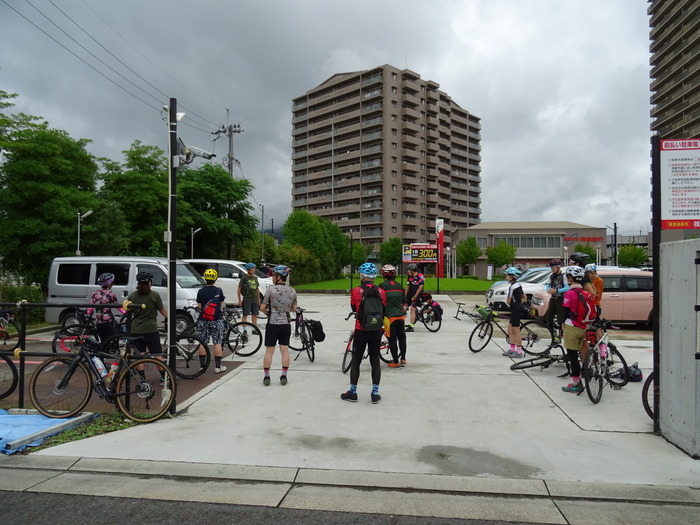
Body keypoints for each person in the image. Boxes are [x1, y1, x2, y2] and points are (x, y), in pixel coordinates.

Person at [342, 262, 387, 404]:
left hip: (361, 329)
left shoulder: (356, 291)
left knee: (356, 360)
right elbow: (384, 309)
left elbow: (354, 308)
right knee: (375, 361)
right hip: (376, 330)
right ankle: (375, 393)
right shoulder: (381, 291)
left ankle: (353, 392)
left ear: (362, 276)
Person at [260, 265, 297, 386]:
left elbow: (262, 307)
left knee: (269, 351)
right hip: (286, 324)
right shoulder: (292, 291)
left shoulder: (270, 290)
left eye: (274, 275)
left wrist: (269, 313)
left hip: (272, 324)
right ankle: (284, 375)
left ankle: (266, 376)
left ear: (279, 276)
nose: (272, 278)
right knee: (284, 350)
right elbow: (293, 308)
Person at [126, 272, 168, 356]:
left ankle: (140, 370)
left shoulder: (132, 296)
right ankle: (163, 369)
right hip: (150, 329)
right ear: (149, 283)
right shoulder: (154, 295)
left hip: (136, 328)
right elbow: (161, 309)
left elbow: (129, 312)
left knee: (139, 353)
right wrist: (170, 319)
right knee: (157, 354)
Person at [561, 266, 588, 393]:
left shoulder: (570, 293)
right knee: (581, 353)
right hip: (583, 327)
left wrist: (561, 324)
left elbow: (564, 311)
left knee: (572, 356)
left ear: (570, 278)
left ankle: (576, 382)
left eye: (567, 277)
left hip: (571, 326)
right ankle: (584, 375)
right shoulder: (584, 292)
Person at [196, 268, 226, 374]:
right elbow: (222, 304)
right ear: (215, 278)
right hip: (216, 319)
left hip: (203, 319)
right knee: (217, 342)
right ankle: (218, 367)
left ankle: (202, 367)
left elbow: (199, 306)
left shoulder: (200, 291)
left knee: (203, 342)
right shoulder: (218, 290)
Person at [377, 264, 407, 368]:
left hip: (388, 318)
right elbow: (403, 300)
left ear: (384, 275)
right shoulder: (400, 286)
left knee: (392, 339)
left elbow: (379, 301)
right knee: (402, 337)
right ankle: (403, 359)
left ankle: (395, 361)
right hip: (401, 316)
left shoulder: (381, 286)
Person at [86, 272, 125, 344]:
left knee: (102, 340)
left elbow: (91, 307)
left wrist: (88, 313)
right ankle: (107, 353)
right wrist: (125, 313)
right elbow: (117, 306)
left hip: (98, 321)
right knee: (108, 340)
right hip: (108, 321)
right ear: (110, 283)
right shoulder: (111, 294)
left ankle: (102, 353)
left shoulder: (95, 293)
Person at [503, 267, 526, 358]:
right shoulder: (518, 285)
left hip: (516, 310)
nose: (506, 277)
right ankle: (512, 349)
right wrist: (520, 303)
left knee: (516, 331)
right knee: (510, 329)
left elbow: (509, 300)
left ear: (512, 276)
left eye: (507, 275)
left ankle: (519, 352)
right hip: (517, 308)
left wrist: (514, 304)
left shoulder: (512, 287)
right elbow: (524, 297)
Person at [544, 259, 569, 337]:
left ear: (558, 267)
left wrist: (557, 290)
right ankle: (553, 333)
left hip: (561, 299)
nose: (552, 269)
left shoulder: (564, 276)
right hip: (553, 298)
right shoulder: (551, 276)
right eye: (551, 268)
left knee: (560, 319)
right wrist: (548, 289)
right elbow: (548, 284)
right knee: (549, 317)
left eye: (554, 267)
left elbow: (567, 287)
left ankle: (561, 334)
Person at [237, 262, 261, 327]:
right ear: (248, 270)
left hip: (254, 298)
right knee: (245, 314)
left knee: (254, 314)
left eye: (254, 269)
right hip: (247, 299)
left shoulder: (255, 278)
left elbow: (257, 289)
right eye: (252, 269)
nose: (254, 270)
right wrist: (239, 300)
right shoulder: (244, 278)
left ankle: (254, 328)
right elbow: (239, 289)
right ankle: (244, 330)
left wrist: (258, 298)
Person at [404, 263, 424, 332]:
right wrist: (405, 296)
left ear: (413, 271)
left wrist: (415, 297)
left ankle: (411, 326)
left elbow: (420, 288)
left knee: (412, 309)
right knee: (404, 308)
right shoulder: (409, 277)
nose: (408, 272)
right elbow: (407, 287)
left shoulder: (420, 276)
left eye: (409, 270)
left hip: (417, 295)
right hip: (410, 294)